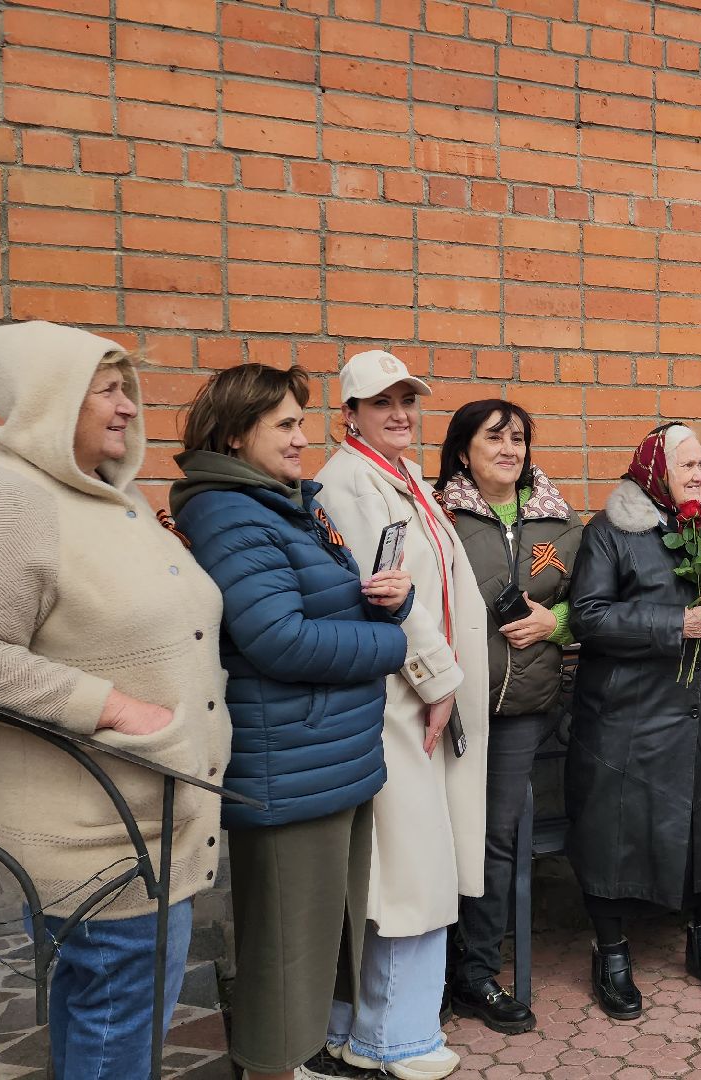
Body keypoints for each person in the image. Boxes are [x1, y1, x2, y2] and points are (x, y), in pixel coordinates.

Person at [0, 321, 234, 1080]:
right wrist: (115, 708)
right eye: (109, 390)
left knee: (112, 1011)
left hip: (146, 810)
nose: (129, 408)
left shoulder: (105, 501)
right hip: (95, 824)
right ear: (52, 399)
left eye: (128, 389)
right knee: (119, 1017)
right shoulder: (3, 497)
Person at [169, 363, 413, 1080]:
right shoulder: (230, 512)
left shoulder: (279, 502)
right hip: (289, 755)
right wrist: (392, 641)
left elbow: (320, 605)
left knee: (315, 934)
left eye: (301, 422)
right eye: (285, 424)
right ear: (236, 434)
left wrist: (384, 600)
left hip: (324, 750)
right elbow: (278, 637)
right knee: (287, 941)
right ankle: (271, 1067)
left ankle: (293, 1060)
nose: (303, 438)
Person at [311, 350, 490, 1080]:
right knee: (403, 869)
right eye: (381, 402)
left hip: (427, 695)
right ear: (349, 412)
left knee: (420, 862)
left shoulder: (404, 476)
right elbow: (382, 590)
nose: (400, 413)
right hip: (400, 699)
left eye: (408, 400)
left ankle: (378, 1024)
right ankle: (387, 1036)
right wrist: (437, 677)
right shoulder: (348, 481)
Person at [566, 424, 701, 1020]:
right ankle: (613, 954)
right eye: (687, 464)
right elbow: (588, 616)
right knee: (613, 833)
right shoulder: (611, 531)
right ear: (655, 470)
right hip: (631, 715)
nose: (699, 473)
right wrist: (674, 624)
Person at [435, 398, 583, 1034]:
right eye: (494, 437)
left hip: (523, 709)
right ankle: (423, 967)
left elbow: (591, 601)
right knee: (435, 837)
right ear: (463, 448)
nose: (509, 449)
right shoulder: (436, 515)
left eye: (519, 438)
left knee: (496, 839)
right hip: (446, 708)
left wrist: (558, 624)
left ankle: (475, 973)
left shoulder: (559, 522)